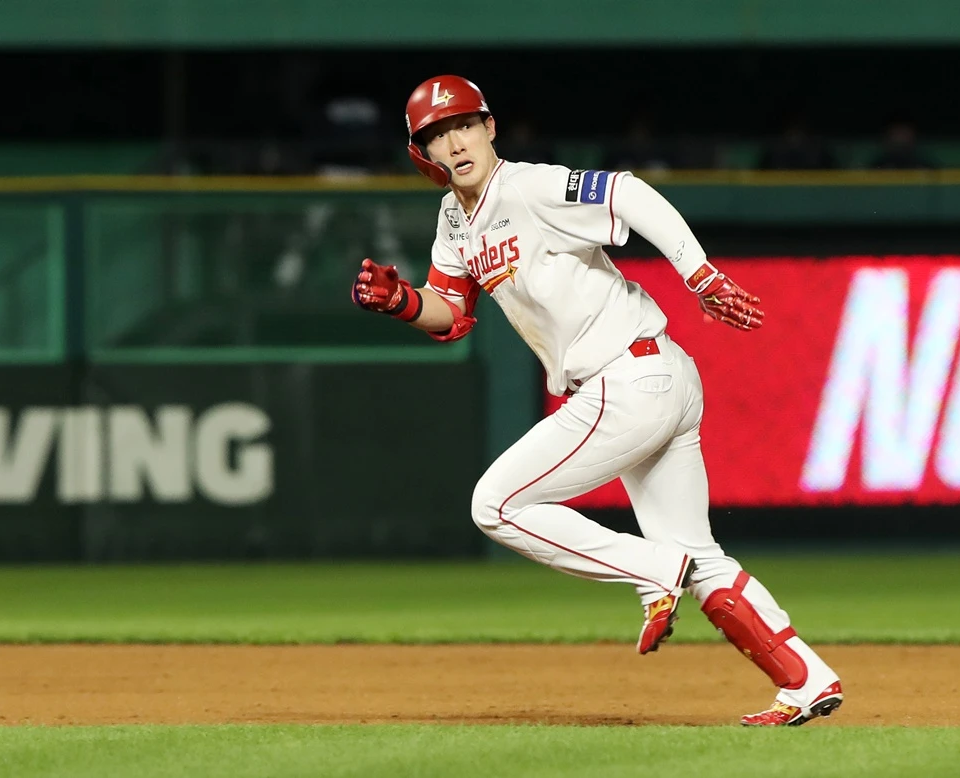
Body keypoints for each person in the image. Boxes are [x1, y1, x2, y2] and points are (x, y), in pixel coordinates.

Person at [352, 75, 843, 727]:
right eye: (439, 135)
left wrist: (698, 273)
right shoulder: (453, 219)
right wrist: (403, 303)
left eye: (465, 125)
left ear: (489, 127)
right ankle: (805, 678)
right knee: (700, 557)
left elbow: (628, 193)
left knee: (495, 504)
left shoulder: (528, 188)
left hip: (629, 379)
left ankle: (652, 569)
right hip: (652, 377)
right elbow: (451, 312)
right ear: (424, 154)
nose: (456, 142)